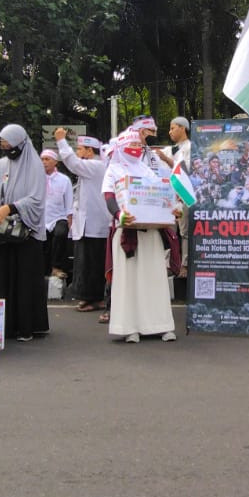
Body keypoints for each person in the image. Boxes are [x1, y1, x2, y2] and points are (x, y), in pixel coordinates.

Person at [102, 130, 179, 343]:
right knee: (129, 281)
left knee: (155, 278)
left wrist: (173, 208)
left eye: (138, 144)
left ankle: (161, 325)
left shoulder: (148, 169)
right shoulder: (113, 170)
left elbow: (162, 194)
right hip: (128, 232)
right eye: (132, 144)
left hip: (152, 232)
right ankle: (130, 327)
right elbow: (109, 198)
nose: (136, 148)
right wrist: (119, 215)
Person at [0, 123, 49, 342]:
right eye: (3, 145)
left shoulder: (35, 166)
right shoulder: (1, 165)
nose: (7, 149)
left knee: (24, 280)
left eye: (10, 145)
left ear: (21, 144)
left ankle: (27, 325)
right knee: (1, 276)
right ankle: (2, 324)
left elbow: (36, 199)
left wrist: (11, 207)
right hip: (3, 234)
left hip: (26, 235)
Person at [54, 129, 111, 313]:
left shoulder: (96, 166)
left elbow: (72, 162)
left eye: (80, 149)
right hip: (86, 225)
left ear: (89, 151)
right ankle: (89, 297)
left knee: (92, 263)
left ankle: (94, 298)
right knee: (86, 263)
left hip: (95, 225)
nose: (78, 152)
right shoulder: (92, 167)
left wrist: (62, 141)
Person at [39, 149, 74, 281]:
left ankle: (56, 267)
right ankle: (42, 269)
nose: (44, 162)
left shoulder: (64, 180)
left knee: (60, 234)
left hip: (59, 217)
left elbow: (69, 202)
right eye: (42, 159)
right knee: (41, 241)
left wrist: (70, 219)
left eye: (47, 159)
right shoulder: (37, 179)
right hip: (42, 217)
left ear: (55, 162)